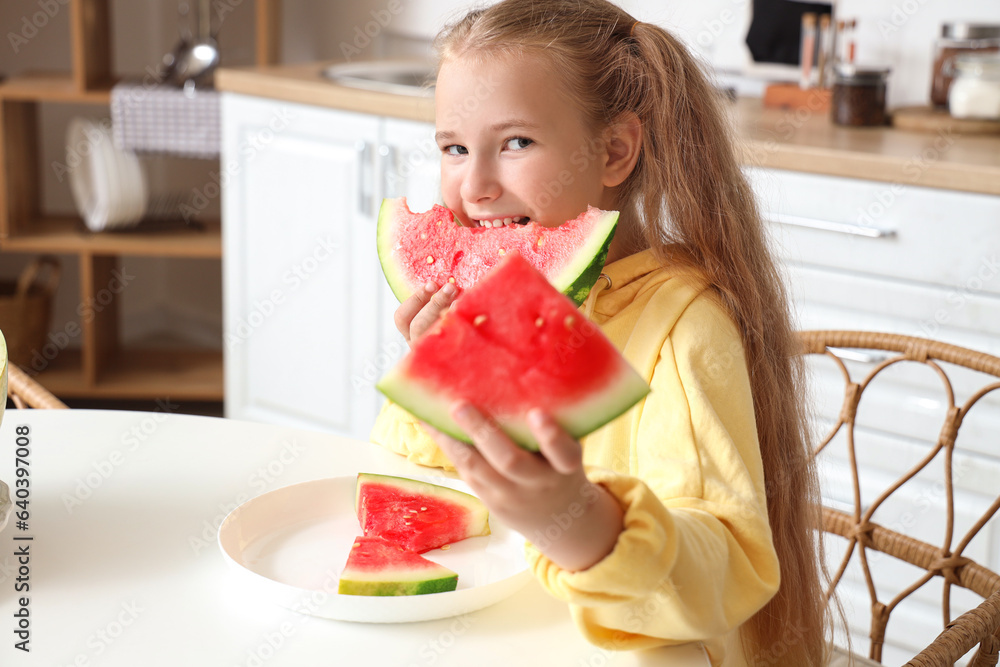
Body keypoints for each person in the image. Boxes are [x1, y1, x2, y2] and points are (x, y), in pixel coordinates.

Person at [370, 1, 829, 664]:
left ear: (615, 150)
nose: (474, 186)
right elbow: (425, 480)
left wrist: (587, 523)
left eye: (517, 143)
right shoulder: (502, 300)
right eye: (454, 148)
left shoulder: (683, 325)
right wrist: (441, 370)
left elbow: (732, 562)